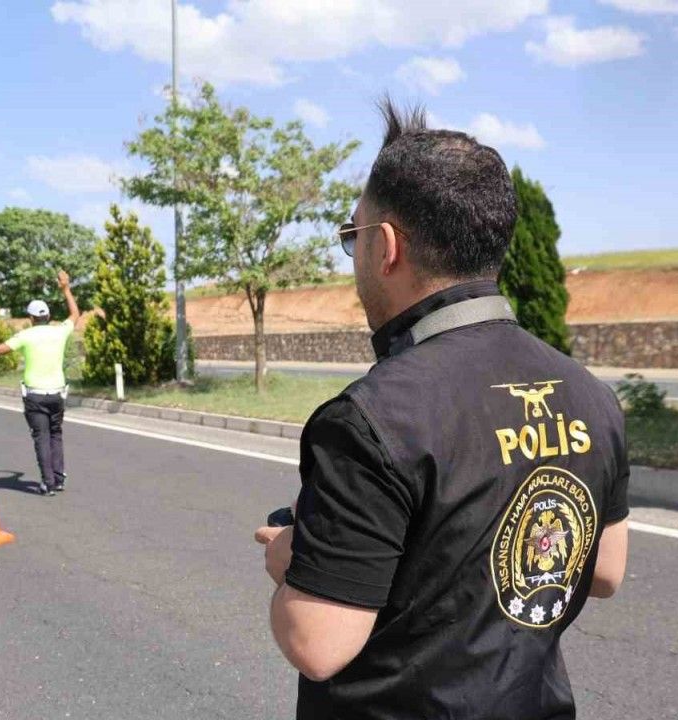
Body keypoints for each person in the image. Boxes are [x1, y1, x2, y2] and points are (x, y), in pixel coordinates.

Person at [254, 103, 629, 719]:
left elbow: (316, 643)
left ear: (387, 246)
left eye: (353, 236)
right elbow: (606, 570)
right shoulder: (589, 393)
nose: (353, 256)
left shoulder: (370, 420)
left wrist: (291, 560)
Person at [0, 270, 79, 496]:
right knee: (55, 434)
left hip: (35, 396)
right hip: (57, 395)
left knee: (41, 437)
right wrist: (65, 289)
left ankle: (47, 482)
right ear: (48, 316)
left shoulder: (25, 336)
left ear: (31, 319)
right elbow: (75, 314)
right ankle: (58, 479)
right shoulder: (59, 332)